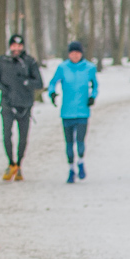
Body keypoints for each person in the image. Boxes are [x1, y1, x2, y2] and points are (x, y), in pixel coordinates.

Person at [0, 33, 43, 181]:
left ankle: (19, 163)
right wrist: (3, 87)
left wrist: (27, 82)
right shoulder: (2, 61)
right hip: (7, 104)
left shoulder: (29, 62)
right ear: (10, 46)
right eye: (14, 46)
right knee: (7, 135)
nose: (17, 48)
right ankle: (10, 163)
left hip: (24, 106)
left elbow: (39, 83)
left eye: (19, 46)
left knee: (23, 137)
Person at [47, 41, 99, 183]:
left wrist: (92, 97)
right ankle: (71, 169)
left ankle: (81, 162)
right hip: (67, 112)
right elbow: (52, 83)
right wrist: (52, 93)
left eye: (77, 52)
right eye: (72, 53)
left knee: (80, 142)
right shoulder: (63, 68)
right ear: (69, 54)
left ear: (81, 53)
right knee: (69, 144)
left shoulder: (89, 68)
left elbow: (95, 85)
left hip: (82, 112)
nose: (74, 55)